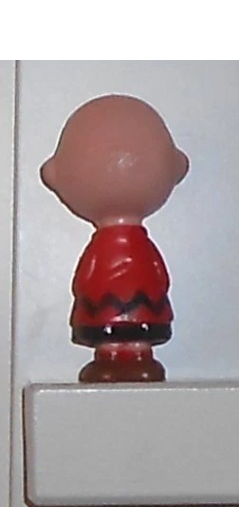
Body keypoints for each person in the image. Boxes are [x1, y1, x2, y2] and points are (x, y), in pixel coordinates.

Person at [41, 95, 189, 382]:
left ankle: (137, 354)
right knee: (113, 328)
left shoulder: (121, 245)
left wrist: (86, 287)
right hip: (118, 301)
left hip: (131, 300)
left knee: (136, 328)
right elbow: (158, 274)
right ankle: (111, 355)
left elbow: (86, 277)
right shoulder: (116, 246)